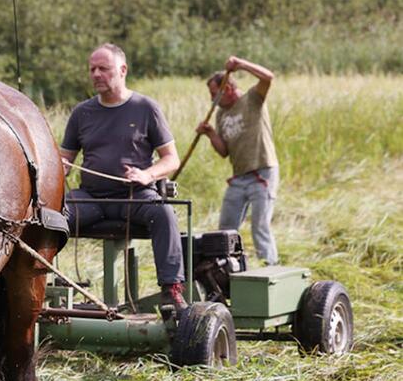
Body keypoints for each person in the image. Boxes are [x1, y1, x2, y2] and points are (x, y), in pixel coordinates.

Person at [60, 43, 186, 308]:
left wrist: (147, 175)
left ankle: (171, 289)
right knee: (51, 218)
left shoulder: (146, 108)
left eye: (103, 69)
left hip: (135, 196)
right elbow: (65, 160)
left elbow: (171, 158)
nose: (96, 74)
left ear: (122, 70)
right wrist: (57, 167)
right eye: (92, 69)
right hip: (91, 198)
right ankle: (42, 286)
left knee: (164, 214)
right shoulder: (82, 113)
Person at [196, 56, 279, 265]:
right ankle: (229, 270)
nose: (212, 100)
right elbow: (224, 151)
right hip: (239, 178)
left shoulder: (252, 99)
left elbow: (268, 77)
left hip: (262, 173)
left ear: (229, 89)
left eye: (215, 94)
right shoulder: (221, 114)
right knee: (226, 228)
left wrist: (241, 64)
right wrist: (210, 134)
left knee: (260, 226)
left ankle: (270, 268)